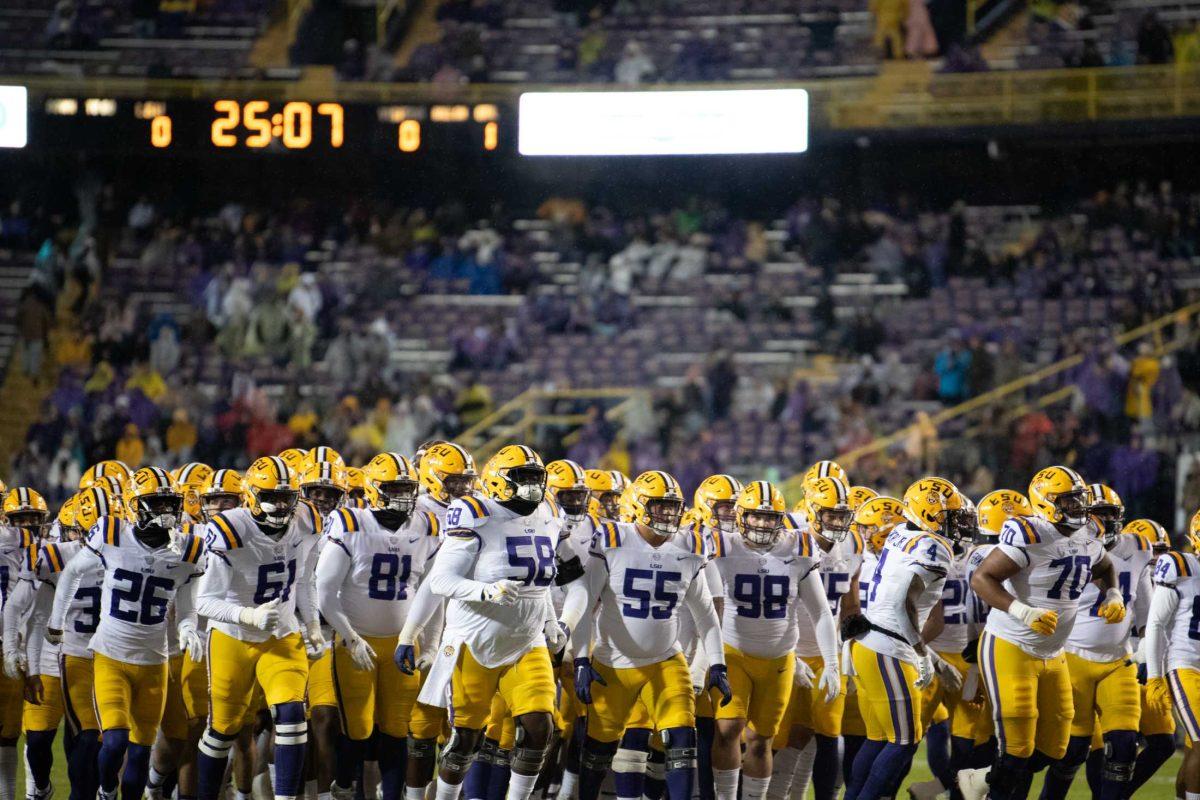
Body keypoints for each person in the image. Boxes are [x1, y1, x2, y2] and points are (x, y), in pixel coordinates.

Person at [562, 470, 728, 800]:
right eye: (661, 507)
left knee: (682, 739)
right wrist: (581, 657)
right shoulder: (612, 538)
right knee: (598, 748)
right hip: (613, 661)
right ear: (638, 506)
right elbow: (585, 601)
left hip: (666, 659)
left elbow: (706, 614)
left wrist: (718, 664)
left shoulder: (690, 545)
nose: (669, 515)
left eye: (673, 508)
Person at [963, 466, 1125, 800]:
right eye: (1068, 501)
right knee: (1017, 748)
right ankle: (992, 785)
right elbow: (981, 578)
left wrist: (1113, 594)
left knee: (1056, 748)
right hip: (1011, 645)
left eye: (1079, 500)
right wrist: (1022, 610)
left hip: (1053, 652)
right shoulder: (1030, 533)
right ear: (1046, 502)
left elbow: (1105, 566)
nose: (1078, 508)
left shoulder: (1089, 533)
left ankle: (982, 780)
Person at [411, 445, 562, 800]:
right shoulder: (475, 512)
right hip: (473, 640)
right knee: (466, 739)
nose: (531, 486)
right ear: (498, 480)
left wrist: (551, 621)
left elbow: (540, 579)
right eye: (521, 478)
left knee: (540, 727)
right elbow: (441, 581)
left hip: (527, 640)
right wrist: (487, 591)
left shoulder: (548, 514)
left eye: (535, 478)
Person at [47, 468, 206, 800]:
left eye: (170, 503)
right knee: (115, 740)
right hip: (110, 656)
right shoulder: (111, 534)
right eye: (158, 503)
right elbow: (73, 573)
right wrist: (55, 623)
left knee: (139, 757)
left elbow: (187, 605)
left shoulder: (188, 551)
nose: (167, 511)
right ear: (136, 505)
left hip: (154, 662)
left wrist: (188, 627)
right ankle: (106, 791)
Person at [194, 456, 325, 800]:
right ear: (251, 495)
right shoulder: (231, 528)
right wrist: (247, 616)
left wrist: (312, 624)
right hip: (232, 637)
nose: (281, 505)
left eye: (287, 497)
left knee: (293, 714)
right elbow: (204, 601)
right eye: (272, 496)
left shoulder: (308, 520)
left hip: (282, 634)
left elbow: (306, 580)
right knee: (223, 730)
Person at [317, 453, 440, 800]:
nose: (403, 496)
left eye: (407, 488)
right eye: (394, 488)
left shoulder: (426, 525)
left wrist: (428, 645)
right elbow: (324, 590)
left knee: (398, 730)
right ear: (373, 489)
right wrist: (351, 638)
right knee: (357, 730)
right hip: (358, 641)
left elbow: (435, 592)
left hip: (403, 642)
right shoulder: (350, 522)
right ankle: (343, 787)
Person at [708, 481, 839, 800]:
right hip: (733, 651)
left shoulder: (799, 547)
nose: (763, 524)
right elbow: (709, 604)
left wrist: (832, 663)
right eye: (756, 516)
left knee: (762, 739)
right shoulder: (722, 546)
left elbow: (821, 611)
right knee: (728, 729)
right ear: (741, 516)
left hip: (780, 657)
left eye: (771, 518)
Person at [843, 477, 961, 800]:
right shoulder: (934, 547)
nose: (957, 524)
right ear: (929, 515)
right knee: (905, 740)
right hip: (890, 648)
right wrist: (924, 654)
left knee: (879, 739)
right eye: (950, 516)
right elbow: (901, 604)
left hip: (871, 643)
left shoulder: (899, 533)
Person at [1040, 486, 1151, 800]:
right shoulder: (1068, 547)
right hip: (1073, 656)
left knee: (1125, 745)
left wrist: (1147, 645)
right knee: (1072, 749)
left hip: (1119, 660)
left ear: (1120, 516)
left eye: (1108, 513)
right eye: (1095, 513)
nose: (1101, 520)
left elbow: (1144, 605)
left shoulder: (1140, 547)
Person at [1143, 510, 1200, 800]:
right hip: (1185, 663)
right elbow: (1155, 623)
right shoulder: (1182, 565)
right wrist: (1155, 676)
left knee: (1195, 747)